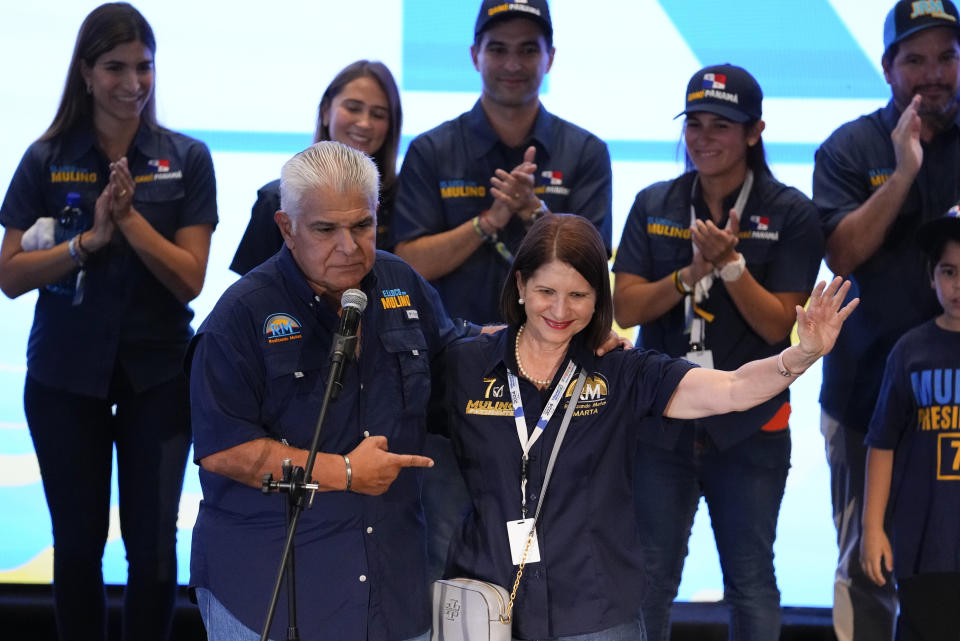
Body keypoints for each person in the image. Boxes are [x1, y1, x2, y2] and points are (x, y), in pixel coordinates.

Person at [439, 214, 855, 641]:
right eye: (546, 291)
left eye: (578, 295)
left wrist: (802, 355)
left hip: (595, 614)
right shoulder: (466, 363)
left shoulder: (621, 371)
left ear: (599, 297)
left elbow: (733, 389)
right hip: (487, 607)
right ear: (521, 285)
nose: (560, 311)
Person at [190, 141, 469, 641]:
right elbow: (224, 450)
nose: (349, 245)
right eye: (325, 229)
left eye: (362, 225)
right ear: (286, 228)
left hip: (394, 591)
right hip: (273, 592)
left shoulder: (398, 281)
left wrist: (550, 334)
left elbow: (458, 350)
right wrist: (342, 472)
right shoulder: (240, 317)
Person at [0, 4, 218, 641]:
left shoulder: (188, 158)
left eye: (144, 66)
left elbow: (191, 277)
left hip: (157, 378)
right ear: (87, 74)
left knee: (152, 551)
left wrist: (127, 223)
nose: (133, 82)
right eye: (116, 67)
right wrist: (85, 243)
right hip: (65, 379)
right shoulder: (45, 159)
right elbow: (9, 276)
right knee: (77, 546)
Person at [611, 64, 824, 640]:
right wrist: (690, 273)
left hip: (751, 427)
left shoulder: (792, 213)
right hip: (661, 425)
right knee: (650, 576)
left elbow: (782, 326)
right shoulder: (655, 202)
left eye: (721, 126)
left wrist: (730, 268)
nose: (703, 138)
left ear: (755, 131)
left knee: (751, 579)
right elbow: (626, 308)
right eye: (695, 124)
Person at [812, 2, 960, 638]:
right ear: (887, 67)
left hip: (954, 405)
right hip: (864, 400)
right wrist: (905, 173)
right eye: (915, 58)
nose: (934, 73)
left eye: (947, 57)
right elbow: (842, 252)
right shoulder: (850, 148)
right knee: (866, 567)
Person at [392, 0, 613, 325]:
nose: (512, 65)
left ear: (549, 58)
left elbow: (591, 269)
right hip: (451, 355)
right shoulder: (431, 150)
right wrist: (488, 222)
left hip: (559, 355)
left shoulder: (586, 152)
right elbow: (410, 263)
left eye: (527, 51)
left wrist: (534, 213)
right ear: (474, 56)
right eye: (497, 49)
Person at [860, 207, 960, 641]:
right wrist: (871, 529)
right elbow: (881, 443)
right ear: (931, 276)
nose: (958, 285)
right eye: (949, 271)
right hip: (925, 545)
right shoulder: (910, 352)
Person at [230, 60, 402, 275]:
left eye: (378, 114)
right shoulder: (275, 199)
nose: (364, 123)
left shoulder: (408, 199)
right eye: (353, 108)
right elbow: (250, 295)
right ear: (326, 111)